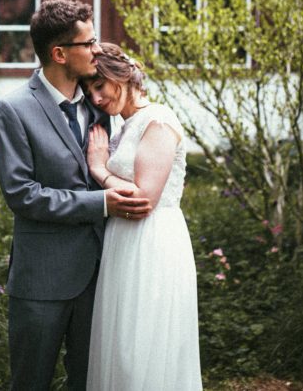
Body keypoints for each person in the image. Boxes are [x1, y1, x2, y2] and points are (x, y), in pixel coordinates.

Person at [0, 0, 153, 391]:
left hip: (101, 276)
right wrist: (101, 203)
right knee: (31, 382)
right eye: (89, 42)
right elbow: (23, 195)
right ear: (59, 54)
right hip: (42, 281)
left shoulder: (100, 106)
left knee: (89, 382)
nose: (97, 50)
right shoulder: (12, 110)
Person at [84, 42, 202, 391]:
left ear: (121, 77)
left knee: (143, 342)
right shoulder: (125, 126)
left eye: (99, 86)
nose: (96, 99)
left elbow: (144, 198)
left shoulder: (159, 120)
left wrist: (99, 169)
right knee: (120, 343)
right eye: (90, 91)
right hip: (123, 241)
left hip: (153, 243)